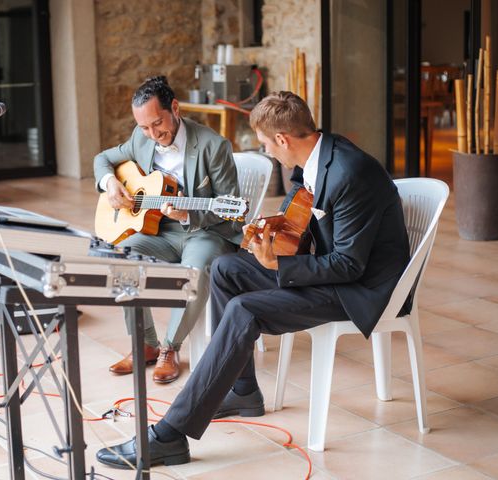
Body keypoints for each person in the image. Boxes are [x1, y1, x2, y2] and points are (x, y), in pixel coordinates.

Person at [96, 91, 411, 468]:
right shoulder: (318, 158)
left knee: (245, 310)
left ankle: (170, 435)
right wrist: (267, 236)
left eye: (265, 144)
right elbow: (299, 219)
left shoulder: (349, 172)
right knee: (227, 268)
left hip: (359, 290)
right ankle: (243, 390)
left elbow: (349, 266)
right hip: (332, 271)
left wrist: (280, 266)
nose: (267, 151)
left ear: (283, 139)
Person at [94, 76, 241, 384]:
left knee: (196, 268)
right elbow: (103, 159)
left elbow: (230, 210)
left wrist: (188, 213)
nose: (152, 133)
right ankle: (145, 343)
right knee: (122, 256)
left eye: (157, 124)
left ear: (175, 108)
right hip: (160, 231)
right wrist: (110, 183)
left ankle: (169, 349)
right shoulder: (141, 137)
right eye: (144, 127)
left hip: (205, 231)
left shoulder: (213, 146)